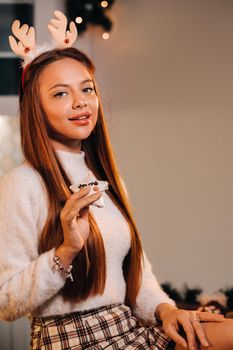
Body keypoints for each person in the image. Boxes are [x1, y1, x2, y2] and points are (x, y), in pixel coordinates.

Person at [0, 11, 233, 350]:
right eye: (61, 94)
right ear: (36, 107)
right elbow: (6, 302)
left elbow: (137, 273)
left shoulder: (106, 178)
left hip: (126, 326)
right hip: (70, 339)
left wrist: (167, 310)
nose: (80, 102)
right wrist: (65, 252)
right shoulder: (22, 184)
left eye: (87, 89)